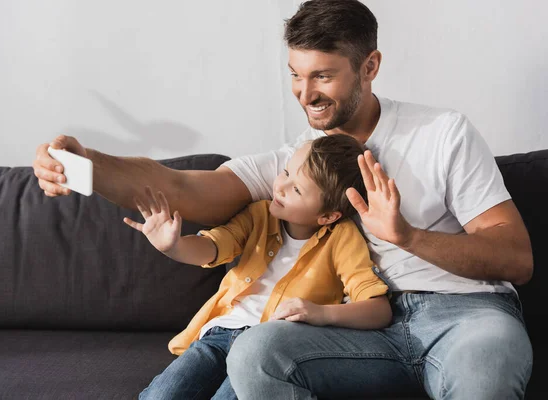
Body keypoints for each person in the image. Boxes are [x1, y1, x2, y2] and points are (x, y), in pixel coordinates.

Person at [33, 0, 533, 398]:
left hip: (462, 316)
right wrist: (89, 165)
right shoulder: (295, 163)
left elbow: (514, 257)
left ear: (370, 66)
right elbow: (184, 187)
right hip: (356, 329)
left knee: (487, 362)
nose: (305, 93)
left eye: (322, 75)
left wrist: (407, 236)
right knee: (256, 350)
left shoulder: (441, 133)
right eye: (295, 74)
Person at [125, 135, 391, 399]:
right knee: (159, 397)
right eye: (286, 172)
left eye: (297, 189)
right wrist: (173, 247)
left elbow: (378, 310)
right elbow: (215, 246)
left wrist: (320, 313)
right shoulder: (259, 215)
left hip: (269, 350)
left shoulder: (342, 237)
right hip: (219, 336)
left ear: (328, 216)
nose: (281, 186)